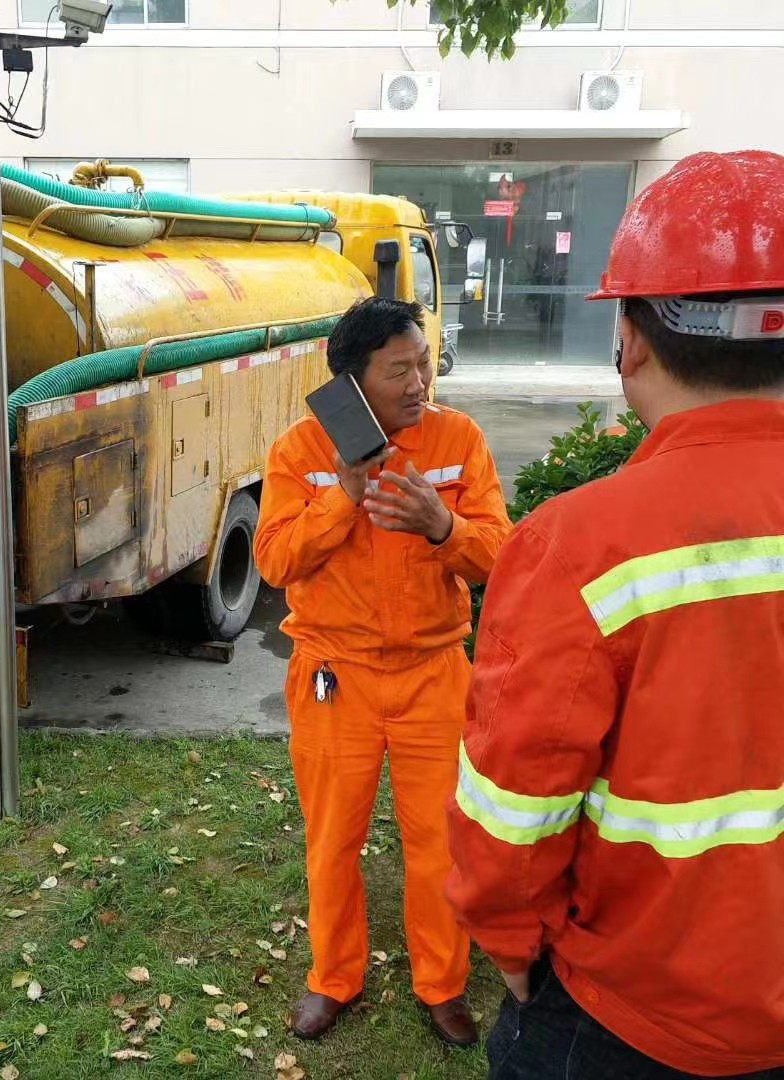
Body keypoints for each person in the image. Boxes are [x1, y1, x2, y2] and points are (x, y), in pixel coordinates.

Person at [447, 150, 784, 1080]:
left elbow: (510, 818)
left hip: (629, 1021)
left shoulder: (584, 545)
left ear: (630, 338)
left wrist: (513, 952)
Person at [254, 297, 511, 1046]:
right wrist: (343, 496)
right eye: (399, 370)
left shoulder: (459, 438)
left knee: (440, 839)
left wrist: (444, 526)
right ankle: (334, 978)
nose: (419, 381)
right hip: (338, 676)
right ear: (352, 382)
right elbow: (274, 558)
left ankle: (442, 984)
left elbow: (500, 553)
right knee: (333, 838)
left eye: (424, 362)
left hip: (434, 672)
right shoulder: (302, 450)